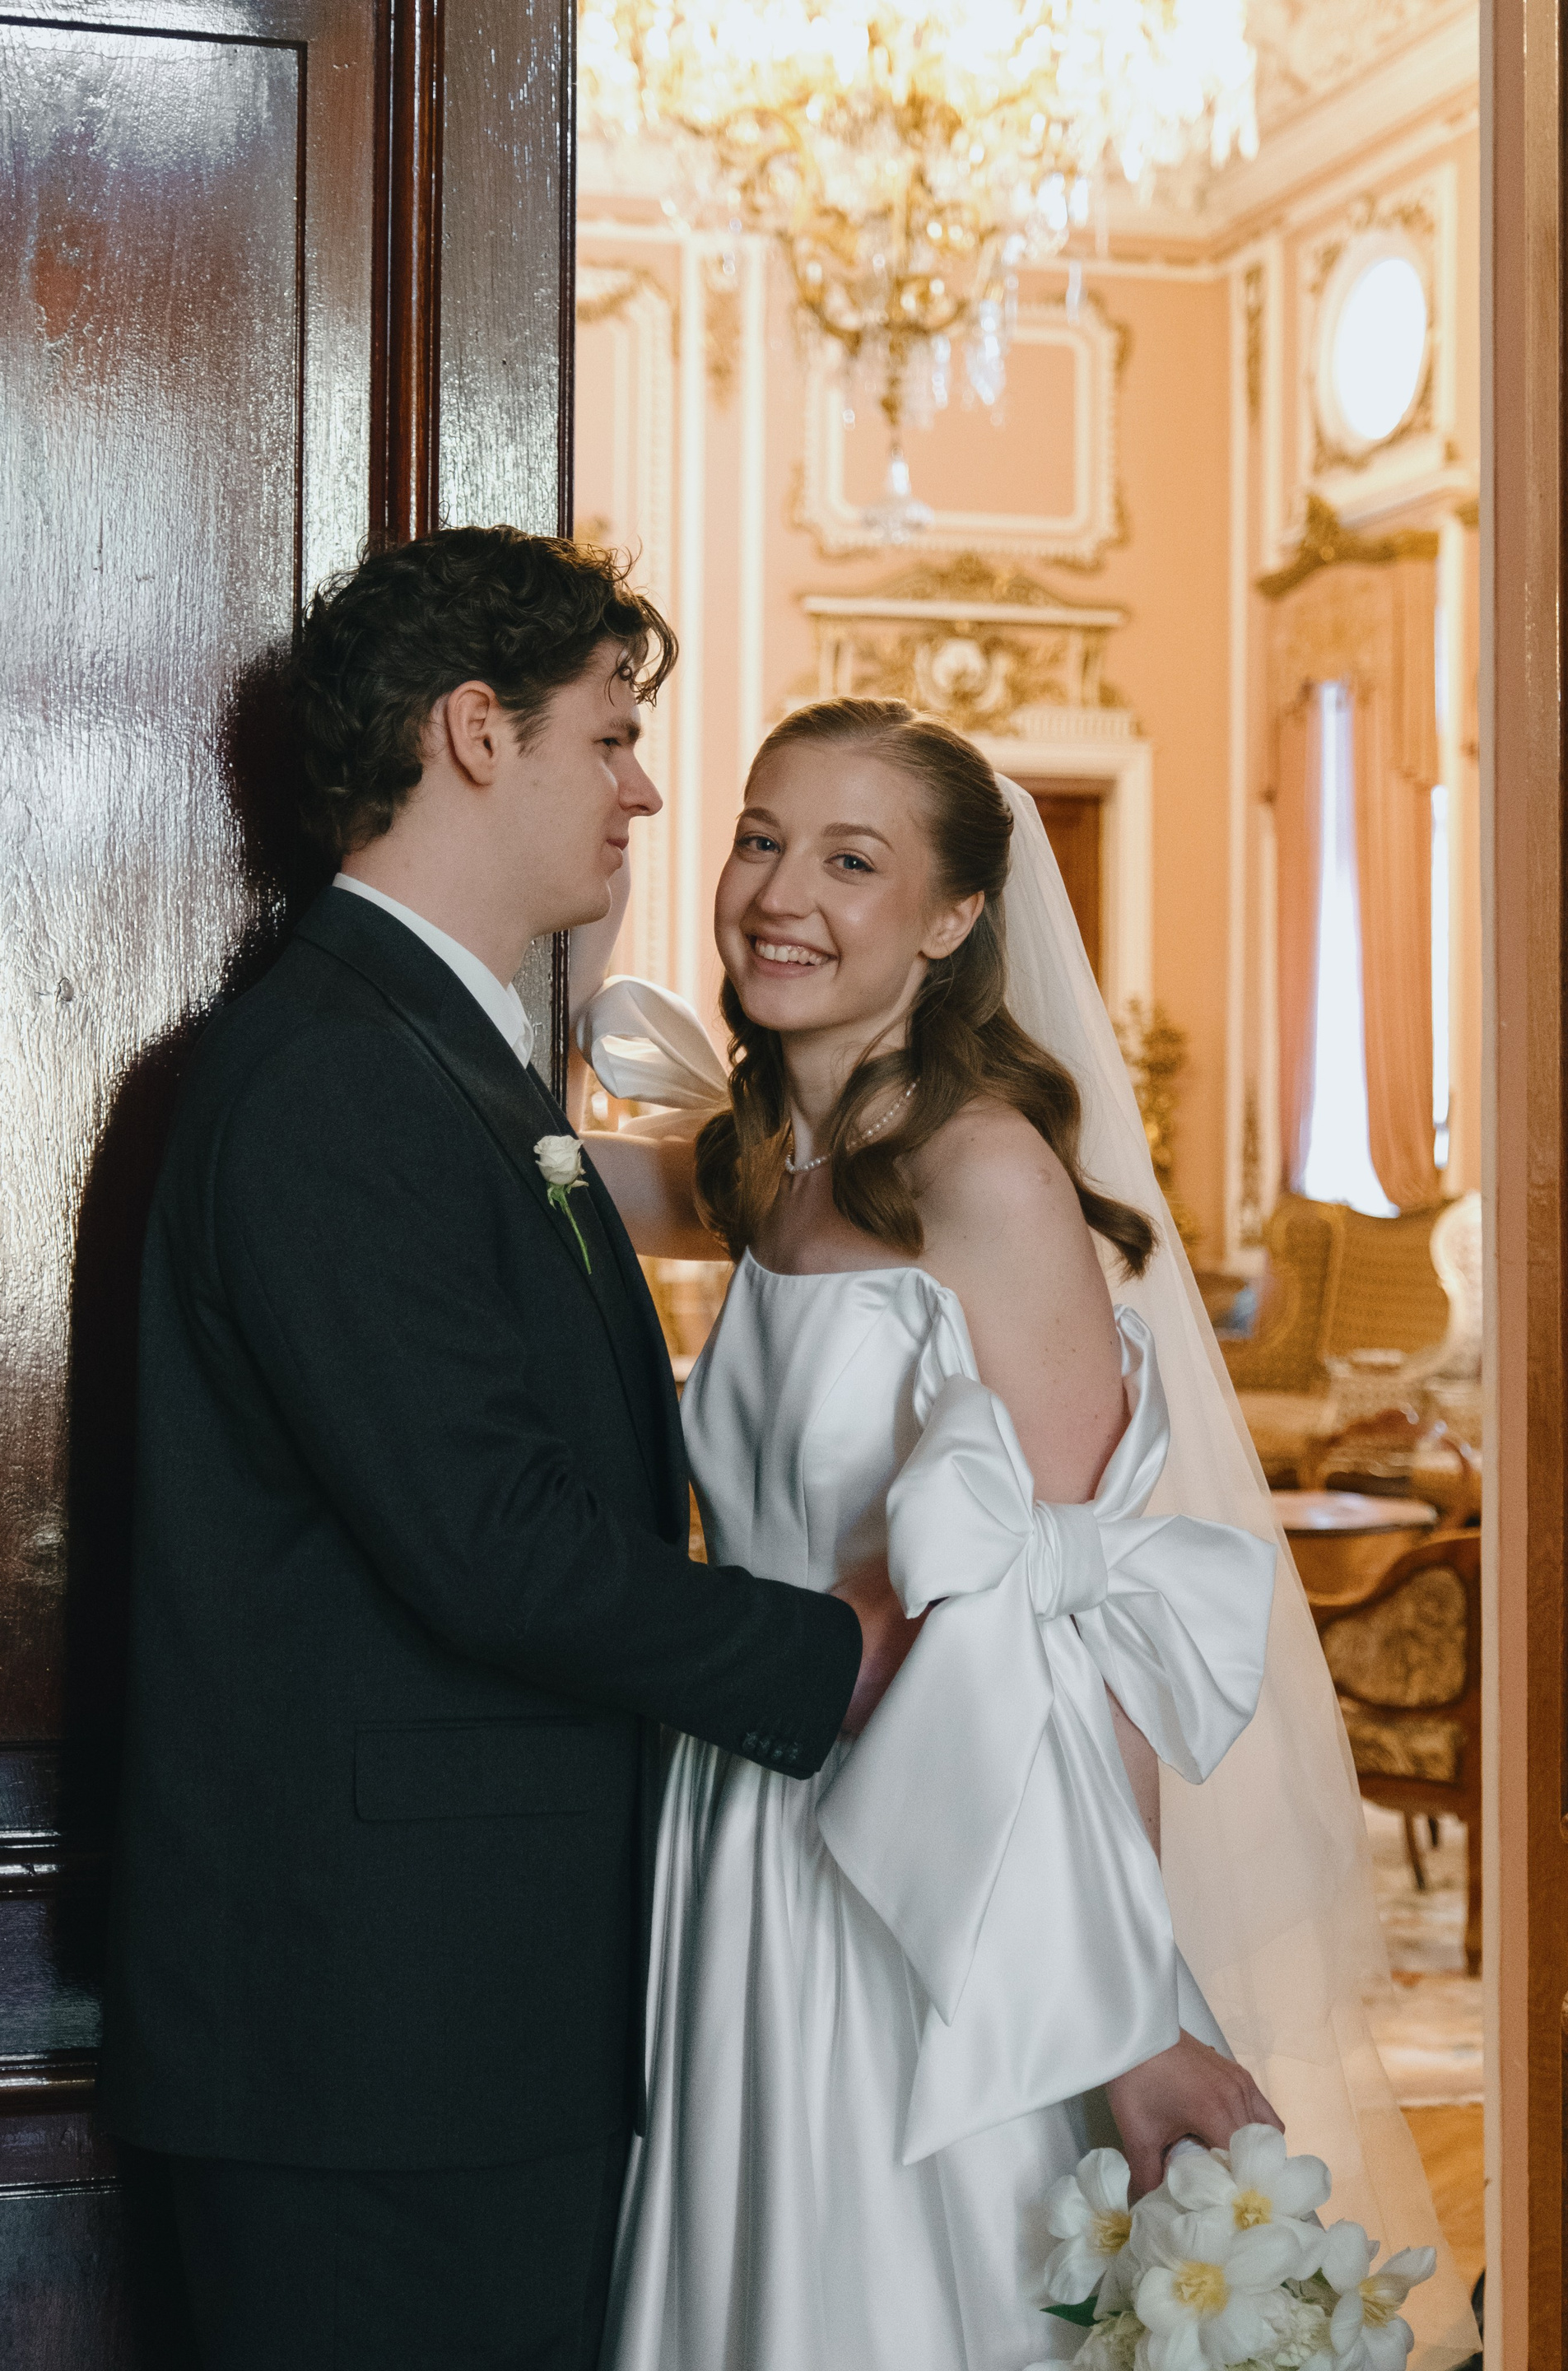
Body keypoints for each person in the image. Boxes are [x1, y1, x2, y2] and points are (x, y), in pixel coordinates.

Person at [573, 700, 1476, 2371]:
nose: (781, 891)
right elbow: (541, 1174)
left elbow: (1084, 1627)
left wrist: (1128, 2006)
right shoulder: (770, 1164)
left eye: (854, 860)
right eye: (762, 838)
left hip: (928, 1849)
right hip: (738, 1822)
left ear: (954, 918)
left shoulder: (986, 1176)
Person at [100, 532, 919, 2371]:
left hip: (445, 2014)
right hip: (370, 2037)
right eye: (610, 735)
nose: (643, 792)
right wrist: (835, 1654)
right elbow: (493, 1541)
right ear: (478, 731)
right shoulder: (336, 1074)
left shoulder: (430, 1058)